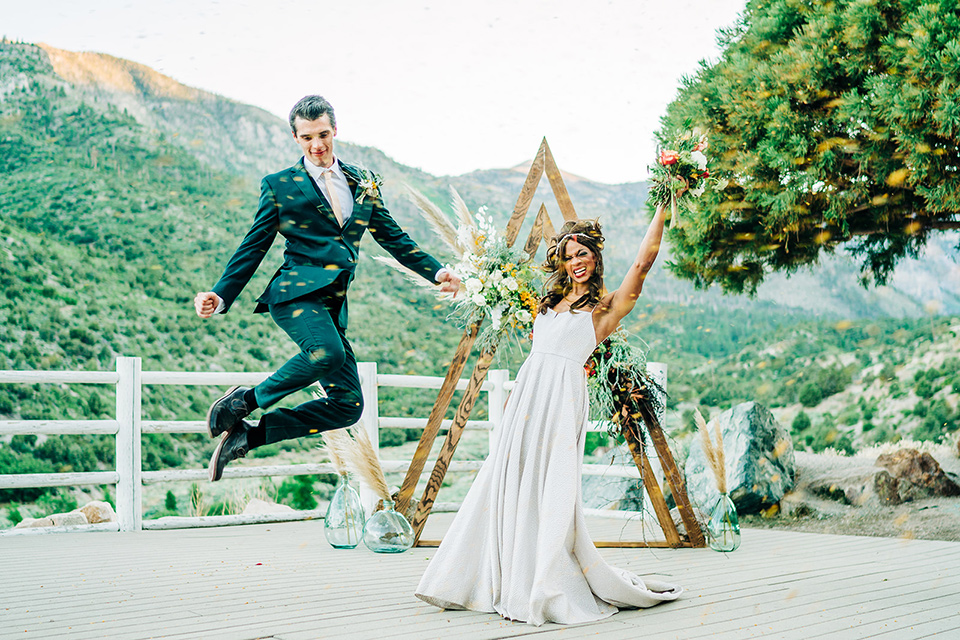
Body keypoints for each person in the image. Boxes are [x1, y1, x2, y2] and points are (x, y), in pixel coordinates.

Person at [415, 203, 682, 626]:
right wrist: (461, 286)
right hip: (527, 397)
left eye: (584, 254)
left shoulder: (606, 308)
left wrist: (664, 205)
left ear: (596, 257)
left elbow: (643, 262)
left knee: (551, 485)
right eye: (569, 255)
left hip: (561, 401)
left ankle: (540, 578)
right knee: (508, 480)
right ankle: (483, 577)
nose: (576, 263)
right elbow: (495, 295)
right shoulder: (546, 300)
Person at [194, 95, 459, 482]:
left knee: (347, 406)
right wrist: (221, 294)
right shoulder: (279, 186)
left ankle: (250, 437)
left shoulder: (362, 183)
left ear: (335, 130)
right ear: (295, 137)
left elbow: (394, 238)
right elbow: (254, 245)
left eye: (322, 134)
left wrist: (436, 273)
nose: (316, 145)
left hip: (334, 304)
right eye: (306, 138)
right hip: (294, 293)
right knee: (326, 353)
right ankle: (243, 402)